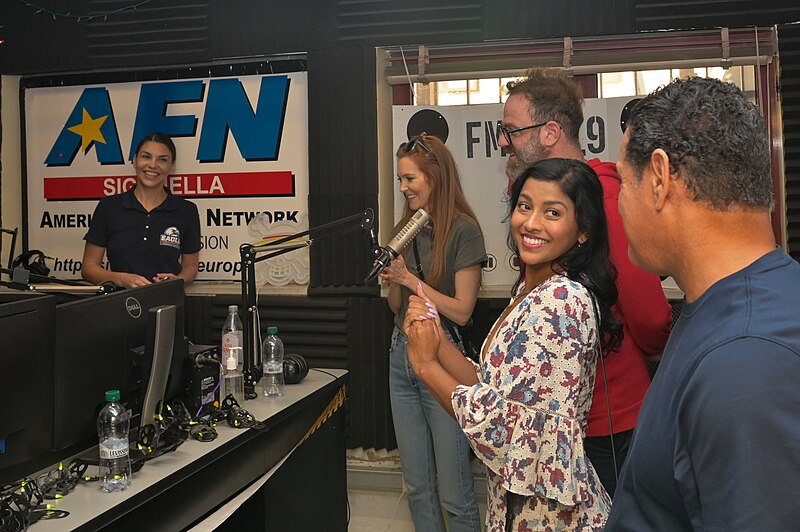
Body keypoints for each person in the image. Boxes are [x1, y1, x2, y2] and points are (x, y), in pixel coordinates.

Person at [606, 77, 800, 530]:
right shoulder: (730, 308)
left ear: (658, 179)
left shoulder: (747, 360)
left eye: (622, 184)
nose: (617, 205)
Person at [404, 158, 623, 531]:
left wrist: (426, 367)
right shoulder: (531, 289)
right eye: (525, 206)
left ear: (583, 230)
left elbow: (502, 430)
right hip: (524, 507)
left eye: (552, 212)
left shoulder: (562, 301)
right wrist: (438, 342)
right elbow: (494, 391)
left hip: (551, 518)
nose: (532, 223)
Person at [498, 67, 672, 495]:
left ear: (551, 131)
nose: (504, 141)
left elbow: (649, 315)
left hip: (607, 423)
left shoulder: (605, 200)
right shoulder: (535, 202)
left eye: (512, 131)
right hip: (558, 418)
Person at [379, 133, 485, 532]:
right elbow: (395, 306)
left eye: (410, 179)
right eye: (401, 180)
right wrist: (394, 279)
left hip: (443, 357)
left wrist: (409, 279)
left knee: (455, 493)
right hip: (400, 357)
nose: (403, 188)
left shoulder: (463, 230)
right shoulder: (404, 228)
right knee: (417, 486)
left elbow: (461, 311)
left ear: (435, 178)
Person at [82, 133, 201, 288]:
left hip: (167, 304)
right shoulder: (109, 207)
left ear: (172, 166)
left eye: (162, 159)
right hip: (118, 305)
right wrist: (121, 279)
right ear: (135, 160)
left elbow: (190, 266)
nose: (152, 165)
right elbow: (88, 268)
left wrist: (178, 281)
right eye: (146, 157)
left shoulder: (186, 210)